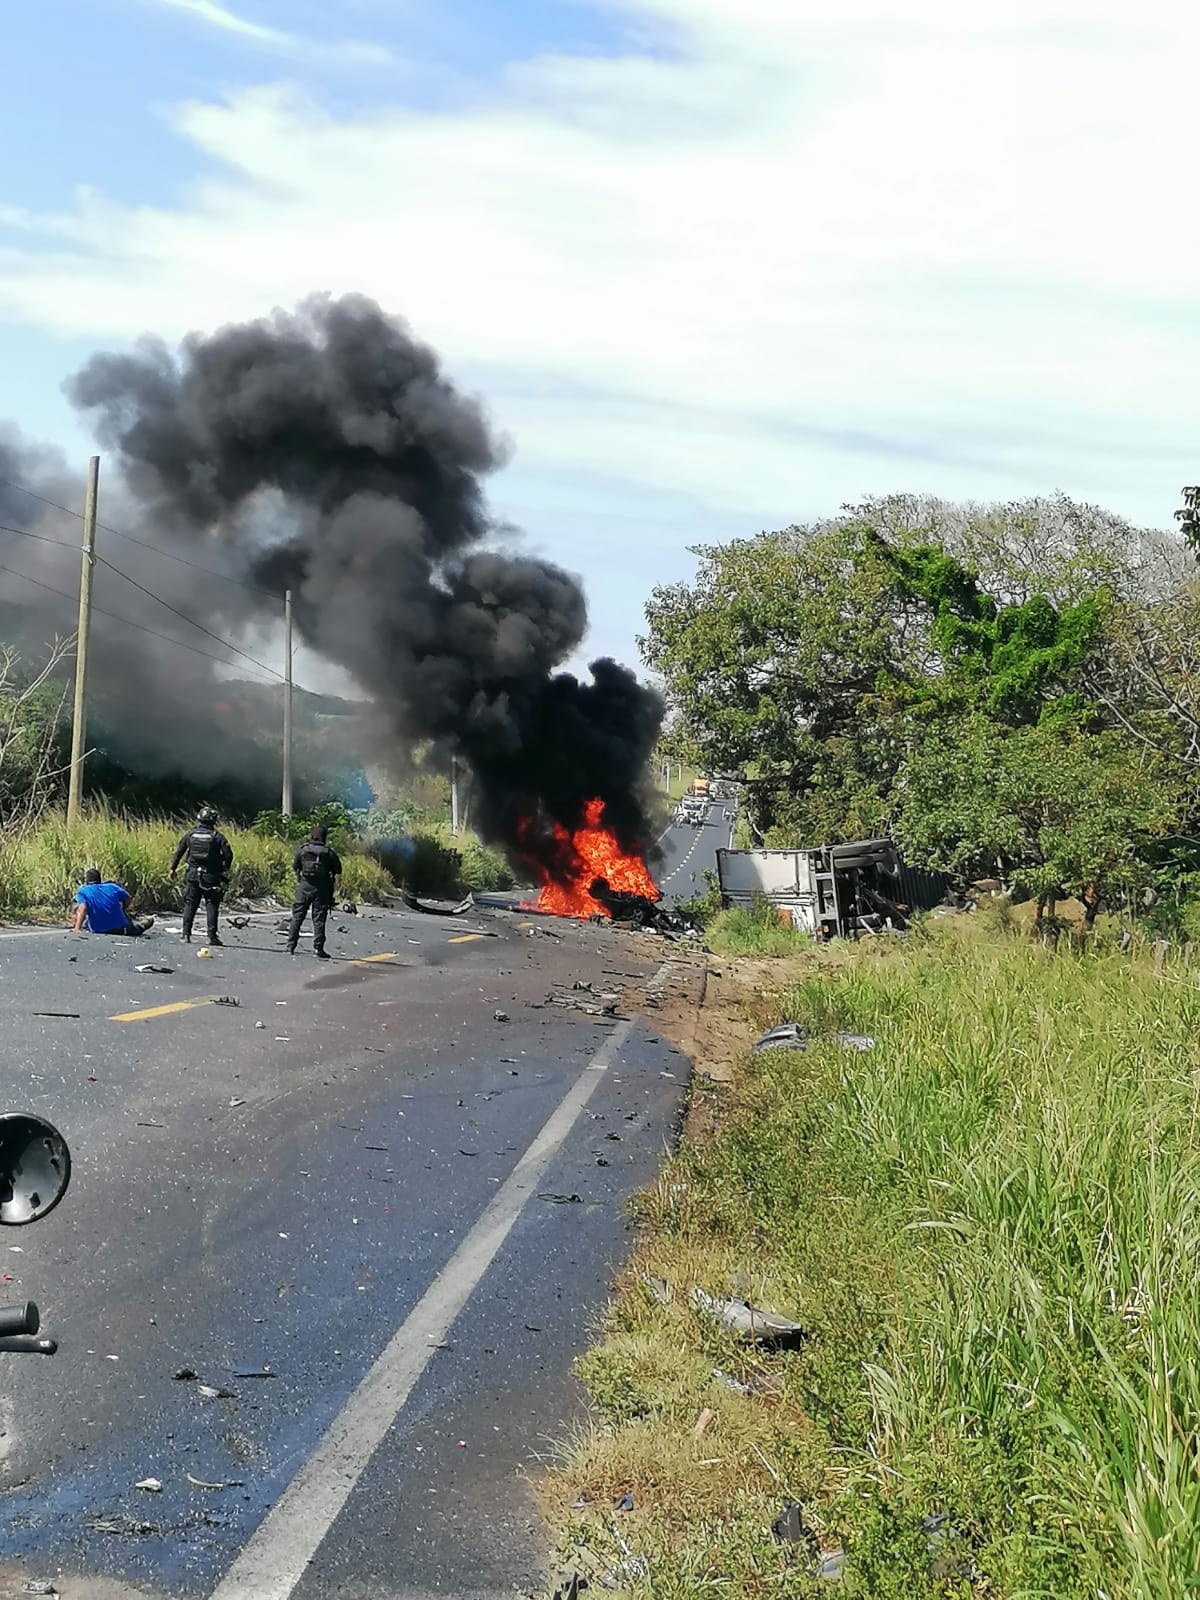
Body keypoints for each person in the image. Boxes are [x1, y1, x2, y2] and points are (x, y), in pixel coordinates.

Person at [170, 804, 234, 945]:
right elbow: (229, 855)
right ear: (214, 821)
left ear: (199, 819)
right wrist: (224, 868)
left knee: (190, 904)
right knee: (211, 905)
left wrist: (172, 869)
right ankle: (212, 936)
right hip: (211, 875)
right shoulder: (217, 836)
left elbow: (178, 852)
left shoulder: (190, 834)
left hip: (192, 873)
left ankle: (186, 935)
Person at [286, 824, 343, 960]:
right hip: (321, 888)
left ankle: (290, 945)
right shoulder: (329, 852)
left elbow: (295, 866)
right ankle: (318, 948)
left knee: (297, 916)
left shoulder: (303, 850)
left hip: (304, 886)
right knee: (319, 919)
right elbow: (338, 870)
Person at [72, 867, 155, 937]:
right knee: (135, 929)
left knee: (87, 920)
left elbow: (82, 909)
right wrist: (124, 909)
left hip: (98, 930)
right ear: (100, 879)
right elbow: (127, 898)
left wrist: (77, 928)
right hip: (120, 929)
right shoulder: (112, 887)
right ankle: (142, 925)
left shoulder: (82, 892)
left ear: (86, 881)